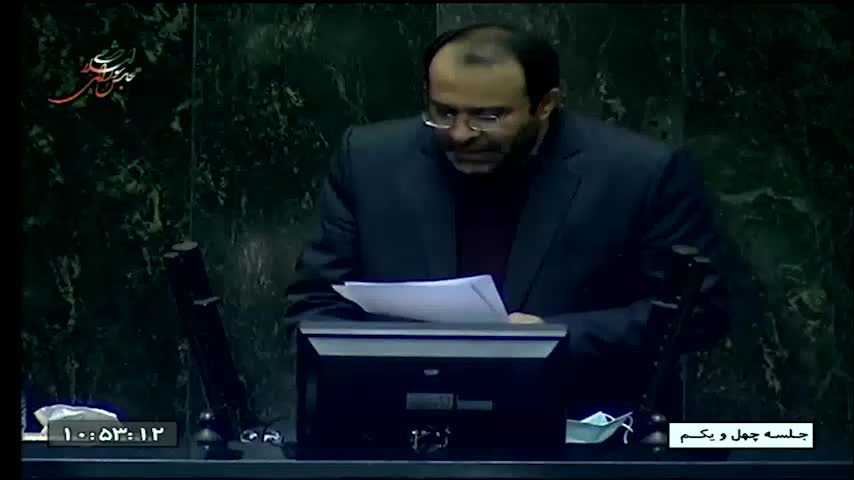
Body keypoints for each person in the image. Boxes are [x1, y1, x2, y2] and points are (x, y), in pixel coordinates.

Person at [284, 23, 731, 419]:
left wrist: (551, 339)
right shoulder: (369, 161)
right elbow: (315, 304)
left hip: (577, 428)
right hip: (401, 426)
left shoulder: (639, 173)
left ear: (545, 104)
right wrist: (401, 358)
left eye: (489, 116)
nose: (461, 133)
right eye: (444, 112)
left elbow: (700, 311)